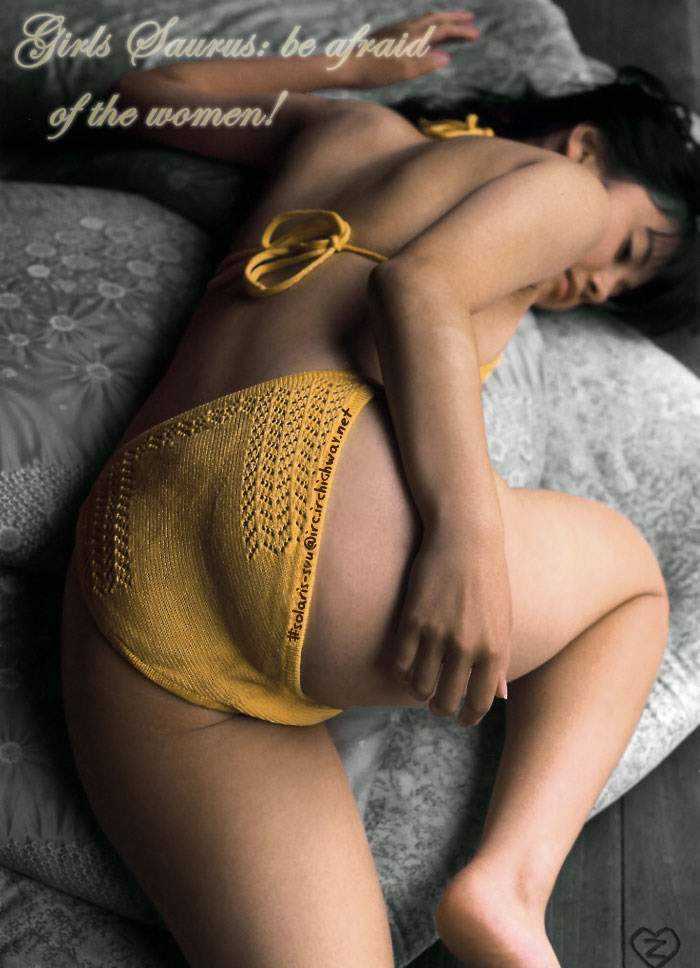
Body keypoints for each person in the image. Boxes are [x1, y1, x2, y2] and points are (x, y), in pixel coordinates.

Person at [59, 8, 699, 967]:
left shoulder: (345, 129)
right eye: (632, 249)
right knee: (633, 587)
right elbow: (415, 292)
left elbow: (140, 96)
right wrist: (465, 539)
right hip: (299, 496)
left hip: (130, 558)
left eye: (624, 290)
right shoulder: (563, 186)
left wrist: (349, 68)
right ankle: (508, 885)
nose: (602, 284)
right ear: (585, 143)